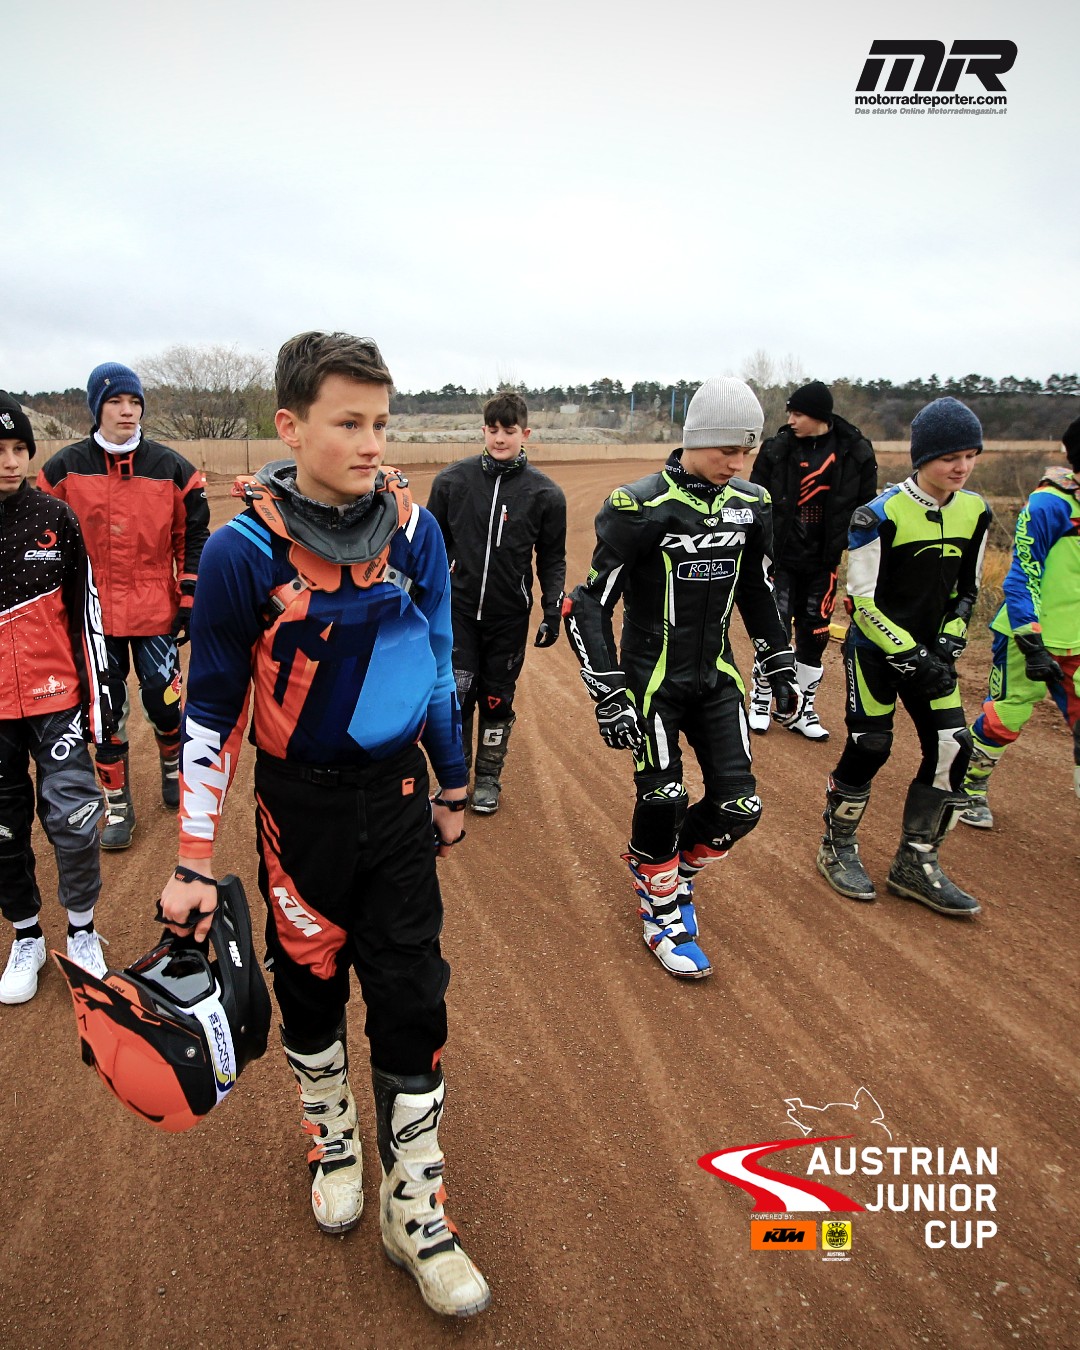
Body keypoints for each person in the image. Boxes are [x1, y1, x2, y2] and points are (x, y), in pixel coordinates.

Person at [157, 331, 489, 1318]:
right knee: (307, 988)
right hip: (294, 812)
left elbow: (435, 661)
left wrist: (454, 781)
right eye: (350, 423)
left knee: (412, 992)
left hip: (394, 805)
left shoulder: (415, 531)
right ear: (289, 424)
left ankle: (415, 1203)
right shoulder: (239, 551)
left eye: (382, 423)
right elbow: (211, 715)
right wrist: (187, 860)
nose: (372, 443)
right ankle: (335, 1139)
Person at [563, 377, 803, 980]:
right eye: (727, 448)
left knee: (740, 808)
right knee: (663, 797)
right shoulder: (637, 506)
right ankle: (662, 906)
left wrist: (778, 659)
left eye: (746, 451)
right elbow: (587, 605)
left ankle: (666, 871)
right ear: (696, 439)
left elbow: (756, 589)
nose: (737, 462)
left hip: (717, 679)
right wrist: (607, 692)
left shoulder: (752, 505)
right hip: (653, 685)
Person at [816, 397, 992, 918]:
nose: (961, 467)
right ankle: (836, 847)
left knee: (953, 749)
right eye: (949, 458)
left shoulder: (976, 510)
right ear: (921, 459)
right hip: (876, 652)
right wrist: (910, 652)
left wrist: (951, 640)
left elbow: (969, 589)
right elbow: (862, 602)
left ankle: (916, 861)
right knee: (871, 746)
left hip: (933, 656)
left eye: (970, 456)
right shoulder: (879, 513)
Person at [37, 364, 210, 849]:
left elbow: (192, 535)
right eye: (116, 402)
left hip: (155, 608)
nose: (127, 411)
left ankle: (173, 768)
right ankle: (117, 806)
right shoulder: (62, 470)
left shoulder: (171, 467)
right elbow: (46, 542)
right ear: (98, 408)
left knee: (164, 699)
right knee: (104, 712)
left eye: (134, 402)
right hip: (91, 616)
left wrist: (189, 595)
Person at [0, 391, 118, 1003]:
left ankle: (81, 930)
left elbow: (88, 617)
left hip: (56, 700)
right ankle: (24, 934)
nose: (10, 461)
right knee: (2, 828)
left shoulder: (56, 518)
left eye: (19, 447)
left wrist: (99, 710)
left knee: (73, 818)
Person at [426, 391, 566, 814]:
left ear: (525, 433)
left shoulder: (546, 494)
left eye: (509, 430)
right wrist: (425, 600)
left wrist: (552, 607)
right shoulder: (452, 481)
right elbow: (431, 546)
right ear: (483, 430)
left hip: (509, 615)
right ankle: (456, 778)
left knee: (496, 700)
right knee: (458, 694)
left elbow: (553, 557)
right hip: (460, 612)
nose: (500, 438)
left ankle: (488, 779)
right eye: (493, 429)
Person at [959, 415, 1080, 827]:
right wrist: (1031, 640)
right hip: (1028, 634)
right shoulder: (1049, 503)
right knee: (1007, 714)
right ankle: (969, 783)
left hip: (1078, 640)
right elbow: (1023, 572)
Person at [748, 380, 877, 740]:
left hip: (824, 561)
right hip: (780, 558)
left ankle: (800, 708)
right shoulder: (777, 448)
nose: (790, 420)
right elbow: (754, 498)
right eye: (789, 412)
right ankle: (760, 699)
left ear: (819, 416)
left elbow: (868, 508)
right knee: (773, 629)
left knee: (815, 634)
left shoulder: (856, 451)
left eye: (798, 413)